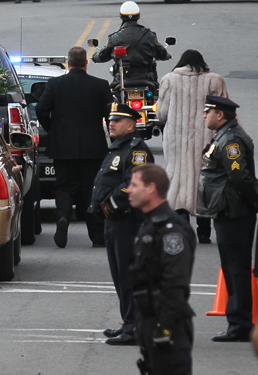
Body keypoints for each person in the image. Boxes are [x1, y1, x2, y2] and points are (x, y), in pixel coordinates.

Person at [89, 103, 154, 345]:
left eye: (117, 120)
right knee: (120, 276)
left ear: (131, 124)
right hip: (114, 222)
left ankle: (135, 328)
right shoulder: (119, 148)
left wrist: (112, 201)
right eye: (110, 119)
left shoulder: (137, 151)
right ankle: (128, 322)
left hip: (129, 221)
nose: (111, 123)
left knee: (130, 276)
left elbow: (136, 182)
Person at [36, 46, 114, 248]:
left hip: (63, 147)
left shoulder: (55, 84)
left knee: (63, 186)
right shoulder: (100, 85)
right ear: (86, 63)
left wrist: (52, 129)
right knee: (91, 189)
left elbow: (41, 109)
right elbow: (111, 115)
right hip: (93, 148)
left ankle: (63, 217)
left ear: (68, 64)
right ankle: (97, 235)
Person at [196, 95, 258, 342]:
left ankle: (240, 323)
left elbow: (239, 177)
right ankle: (237, 321)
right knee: (232, 268)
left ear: (220, 115)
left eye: (207, 112)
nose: (204, 116)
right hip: (226, 210)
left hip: (235, 213)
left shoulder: (231, 140)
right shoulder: (224, 135)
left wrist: (254, 203)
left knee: (237, 268)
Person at [127, 164, 196, 375]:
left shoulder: (171, 229)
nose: (128, 189)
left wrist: (164, 328)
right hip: (149, 319)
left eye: (134, 184)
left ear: (151, 189)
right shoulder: (150, 223)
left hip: (168, 326)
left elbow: (175, 282)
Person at [156, 50, 229, 244]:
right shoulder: (214, 80)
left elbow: (161, 114)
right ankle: (204, 232)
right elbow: (225, 110)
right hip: (206, 137)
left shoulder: (169, 80)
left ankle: (181, 227)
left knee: (178, 177)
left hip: (176, 139)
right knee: (203, 178)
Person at [91, 1, 171, 88]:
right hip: (147, 78)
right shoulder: (149, 35)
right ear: (138, 16)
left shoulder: (114, 37)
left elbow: (104, 55)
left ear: (121, 16)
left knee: (111, 97)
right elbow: (161, 53)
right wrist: (166, 55)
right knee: (159, 96)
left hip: (122, 79)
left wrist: (96, 57)